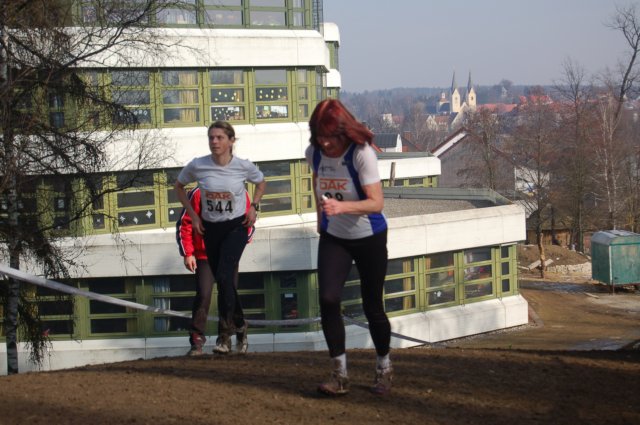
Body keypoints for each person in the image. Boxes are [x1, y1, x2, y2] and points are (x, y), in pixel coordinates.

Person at [305, 99, 392, 396]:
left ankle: (384, 368)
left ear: (343, 131)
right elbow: (316, 179)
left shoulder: (361, 153)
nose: (325, 143)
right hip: (335, 237)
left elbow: (376, 203)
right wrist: (321, 218)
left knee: (372, 306)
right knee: (328, 299)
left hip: (369, 236)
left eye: (330, 137)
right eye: (319, 136)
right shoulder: (314, 153)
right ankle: (339, 374)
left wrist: (342, 208)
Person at [175, 121, 266, 354]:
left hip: (235, 228)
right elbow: (178, 186)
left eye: (219, 137)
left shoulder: (243, 166)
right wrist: (194, 216)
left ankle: (224, 337)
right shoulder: (199, 165)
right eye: (211, 137)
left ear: (231, 141)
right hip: (211, 229)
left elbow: (261, 182)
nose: (214, 142)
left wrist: (254, 207)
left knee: (225, 277)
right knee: (223, 284)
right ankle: (240, 325)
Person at [176, 186, 255, 356]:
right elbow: (185, 222)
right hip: (204, 254)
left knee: (228, 293)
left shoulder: (239, 191)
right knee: (204, 294)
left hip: (229, 253)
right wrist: (188, 253)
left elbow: (249, 222)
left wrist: (238, 245)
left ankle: (225, 337)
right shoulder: (198, 193)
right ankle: (197, 340)